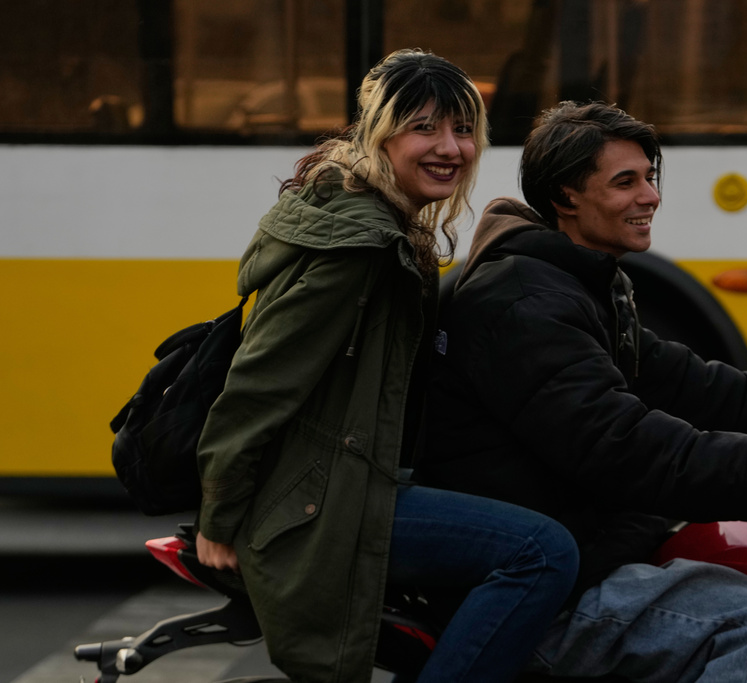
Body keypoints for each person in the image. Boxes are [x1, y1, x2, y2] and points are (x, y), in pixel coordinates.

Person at [417, 101, 747, 682]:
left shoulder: (575, 284)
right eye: (626, 182)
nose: (651, 196)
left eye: (651, 177)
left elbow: (702, 389)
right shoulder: (525, 304)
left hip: (594, 544)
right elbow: (622, 443)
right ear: (566, 196)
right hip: (549, 591)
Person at [193, 50, 579, 683]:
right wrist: (221, 515)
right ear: (379, 136)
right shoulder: (360, 246)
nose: (449, 148)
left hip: (346, 479)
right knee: (543, 552)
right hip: (321, 499)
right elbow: (258, 383)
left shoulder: (377, 220)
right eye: (424, 127)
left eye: (461, 130)